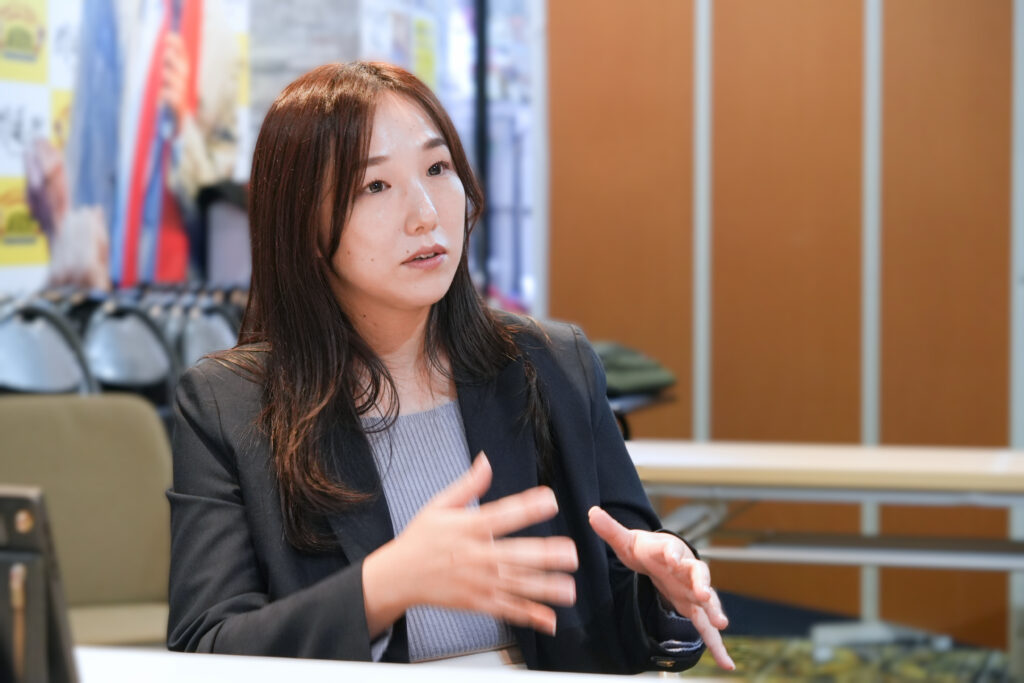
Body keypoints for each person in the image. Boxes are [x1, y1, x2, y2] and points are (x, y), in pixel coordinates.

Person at [167, 61, 734, 674]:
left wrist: (667, 597)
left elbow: (623, 620)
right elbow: (205, 649)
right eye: (374, 186)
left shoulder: (552, 364)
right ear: (302, 223)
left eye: (438, 169)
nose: (425, 214)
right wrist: (385, 584)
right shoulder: (229, 404)